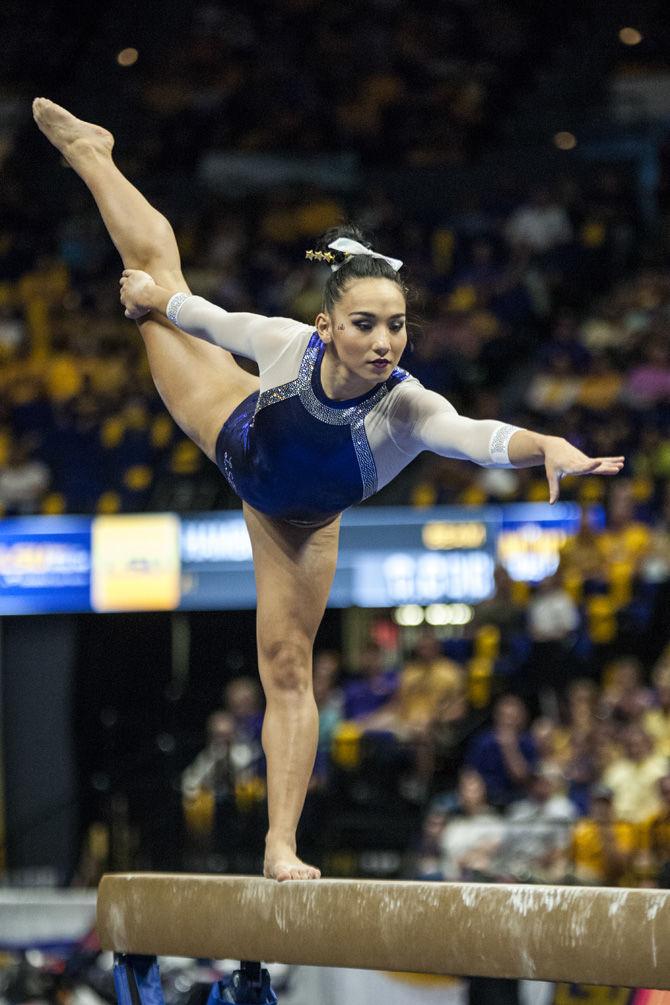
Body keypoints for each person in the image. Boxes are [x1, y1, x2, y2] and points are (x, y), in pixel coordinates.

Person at [33, 98, 625, 881]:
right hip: (234, 430)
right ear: (327, 325)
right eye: (366, 324)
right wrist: (153, 302)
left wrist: (544, 443)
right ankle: (94, 155)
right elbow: (207, 318)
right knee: (155, 285)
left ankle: (281, 843)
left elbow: (475, 436)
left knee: (287, 667)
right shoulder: (286, 345)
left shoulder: (407, 405)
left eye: (398, 325)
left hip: (301, 523)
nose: (384, 342)